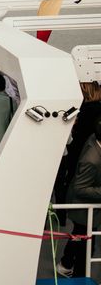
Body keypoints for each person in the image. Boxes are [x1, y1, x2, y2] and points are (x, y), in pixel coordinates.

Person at [57, 116, 101, 278]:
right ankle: (79, 275)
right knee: (86, 243)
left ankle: (66, 264)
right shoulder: (92, 160)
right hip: (83, 207)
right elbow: (80, 188)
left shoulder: (93, 138)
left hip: (84, 209)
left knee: (80, 237)